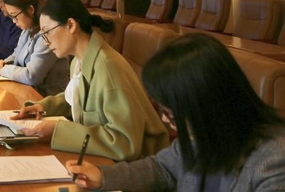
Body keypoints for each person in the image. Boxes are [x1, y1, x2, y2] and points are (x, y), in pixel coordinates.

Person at [67, 33, 285, 191]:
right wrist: (102, 176)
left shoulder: (273, 159)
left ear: (202, 104)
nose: (164, 118)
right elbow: (162, 168)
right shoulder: (203, 135)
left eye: (170, 112)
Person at [12, 0, 168, 161]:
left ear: (71, 25)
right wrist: (42, 107)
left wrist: (58, 131)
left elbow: (125, 142)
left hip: (138, 164)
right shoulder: (78, 61)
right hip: (106, 157)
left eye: (47, 32)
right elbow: (78, 98)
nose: (46, 41)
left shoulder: (108, 68)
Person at [0, 0, 68, 96]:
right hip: (28, 91)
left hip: (47, 97)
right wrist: (3, 63)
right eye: (11, 16)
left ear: (30, 9)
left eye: (15, 16)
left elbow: (32, 76)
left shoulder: (46, 35)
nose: (14, 21)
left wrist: (4, 70)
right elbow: (16, 54)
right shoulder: (27, 29)